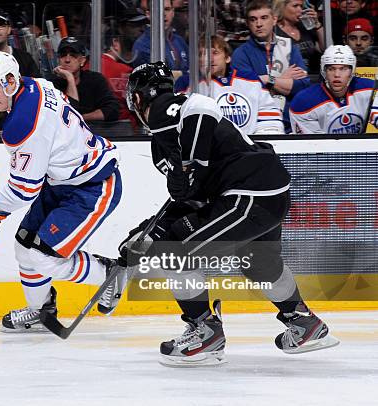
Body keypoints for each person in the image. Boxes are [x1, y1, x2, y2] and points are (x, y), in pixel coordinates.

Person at [99, 61, 339, 367]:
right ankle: (305, 324)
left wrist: (192, 163)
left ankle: (206, 332)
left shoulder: (167, 109)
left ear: (136, 98)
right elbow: (190, 199)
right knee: (260, 264)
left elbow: (203, 107)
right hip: (268, 192)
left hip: (248, 194)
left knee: (176, 253)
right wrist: (149, 229)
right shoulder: (168, 137)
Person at [0, 51, 121, 332]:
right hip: (63, 181)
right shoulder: (34, 84)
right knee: (24, 246)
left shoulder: (23, 124)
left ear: (10, 82)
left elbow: (24, 190)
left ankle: (108, 274)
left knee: (43, 256)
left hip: (93, 185)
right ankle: (40, 310)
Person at [175, 35, 284, 135]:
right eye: (203, 54)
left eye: (215, 53)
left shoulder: (250, 79)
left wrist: (258, 144)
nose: (209, 58)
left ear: (227, 58)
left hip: (250, 149)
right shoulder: (188, 83)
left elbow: (269, 117)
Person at [231, 0, 311, 131]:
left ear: (274, 20)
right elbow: (248, 93)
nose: (259, 24)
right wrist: (283, 79)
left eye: (264, 18)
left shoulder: (289, 47)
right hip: (259, 124)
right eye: (253, 19)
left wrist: (267, 79)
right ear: (248, 24)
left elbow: (302, 84)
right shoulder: (240, 54)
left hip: (290, 121)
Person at [290, 45, 378, 134]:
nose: (337, 74)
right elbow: (313, 144)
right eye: (331, 69)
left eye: (343, 69)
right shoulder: (304, 102)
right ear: (324, 71)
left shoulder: (371, 89)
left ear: (352, 71)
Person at [47, 37, 119, 122]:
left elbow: (113, 111)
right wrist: (70, 78)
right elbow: (68, 113)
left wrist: (81, 119)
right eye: (63, 55)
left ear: (82, 61)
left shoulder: (95, 80)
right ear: (58, 59)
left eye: (73, 55)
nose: (67, 60)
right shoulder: (51, 85)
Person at [132, 0, 189, 73]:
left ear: (173, 12)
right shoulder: (142, 45)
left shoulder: (179, 41)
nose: (164, 14)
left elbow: (192, 72)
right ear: (148, 14)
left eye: (167, 9)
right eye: (159, 10)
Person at [273, 0, 325, 72]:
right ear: (282, 7)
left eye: (301, 6)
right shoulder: (274, 30)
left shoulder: (304, 27)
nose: (300, 10)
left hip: (311, 76)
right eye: (295, 6)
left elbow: (324, 48)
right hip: (287, 77)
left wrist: (317, 25)